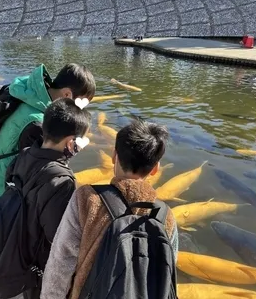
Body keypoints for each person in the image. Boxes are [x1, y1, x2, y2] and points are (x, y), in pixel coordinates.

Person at [41, 119, 178, 299]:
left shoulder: (87, 199)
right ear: (155, 169)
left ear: (114, 156)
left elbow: (61, 264)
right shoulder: (165, 216)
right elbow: (167, 271)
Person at [7, 98, 91, 299]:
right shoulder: (61, 183)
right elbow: (60, 240)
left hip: (19, 248)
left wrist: (65, 158)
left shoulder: (23, 155)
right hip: (40, 265)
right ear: (71, 142)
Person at [0, 63, 96, 201]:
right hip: (2, 187)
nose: (79, 111)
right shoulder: (38, 123)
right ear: (67, 94)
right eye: (79, 104)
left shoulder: (30, 93)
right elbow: (35, 171)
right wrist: (68, 153)